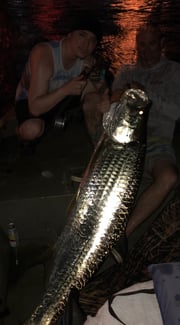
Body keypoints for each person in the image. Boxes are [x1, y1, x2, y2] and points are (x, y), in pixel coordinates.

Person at [98, 23, 180, 237]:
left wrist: (146, 94)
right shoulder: (126, 71)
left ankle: (123, 233)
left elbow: (177, 112)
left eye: (152, 43)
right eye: (141, 44)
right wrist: (111, 100)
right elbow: (114, 102)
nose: (146, 49)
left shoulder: (175, 71)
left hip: (156, 139)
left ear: (161, 44)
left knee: (169, 177)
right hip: (124, 139)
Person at [14, 15, 104, 148]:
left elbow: (97, 90)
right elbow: (35, 108)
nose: (86, 44)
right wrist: (66, 89)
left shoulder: (87, 60)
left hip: (61, 101)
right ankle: (17, 128)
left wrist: (102, 92)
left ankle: (99, 146)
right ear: (69, 34)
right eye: (82, 35)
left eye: (92, 40)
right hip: (30, 103)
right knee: (31, 130)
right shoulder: (45, 53)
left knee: (95, 99)